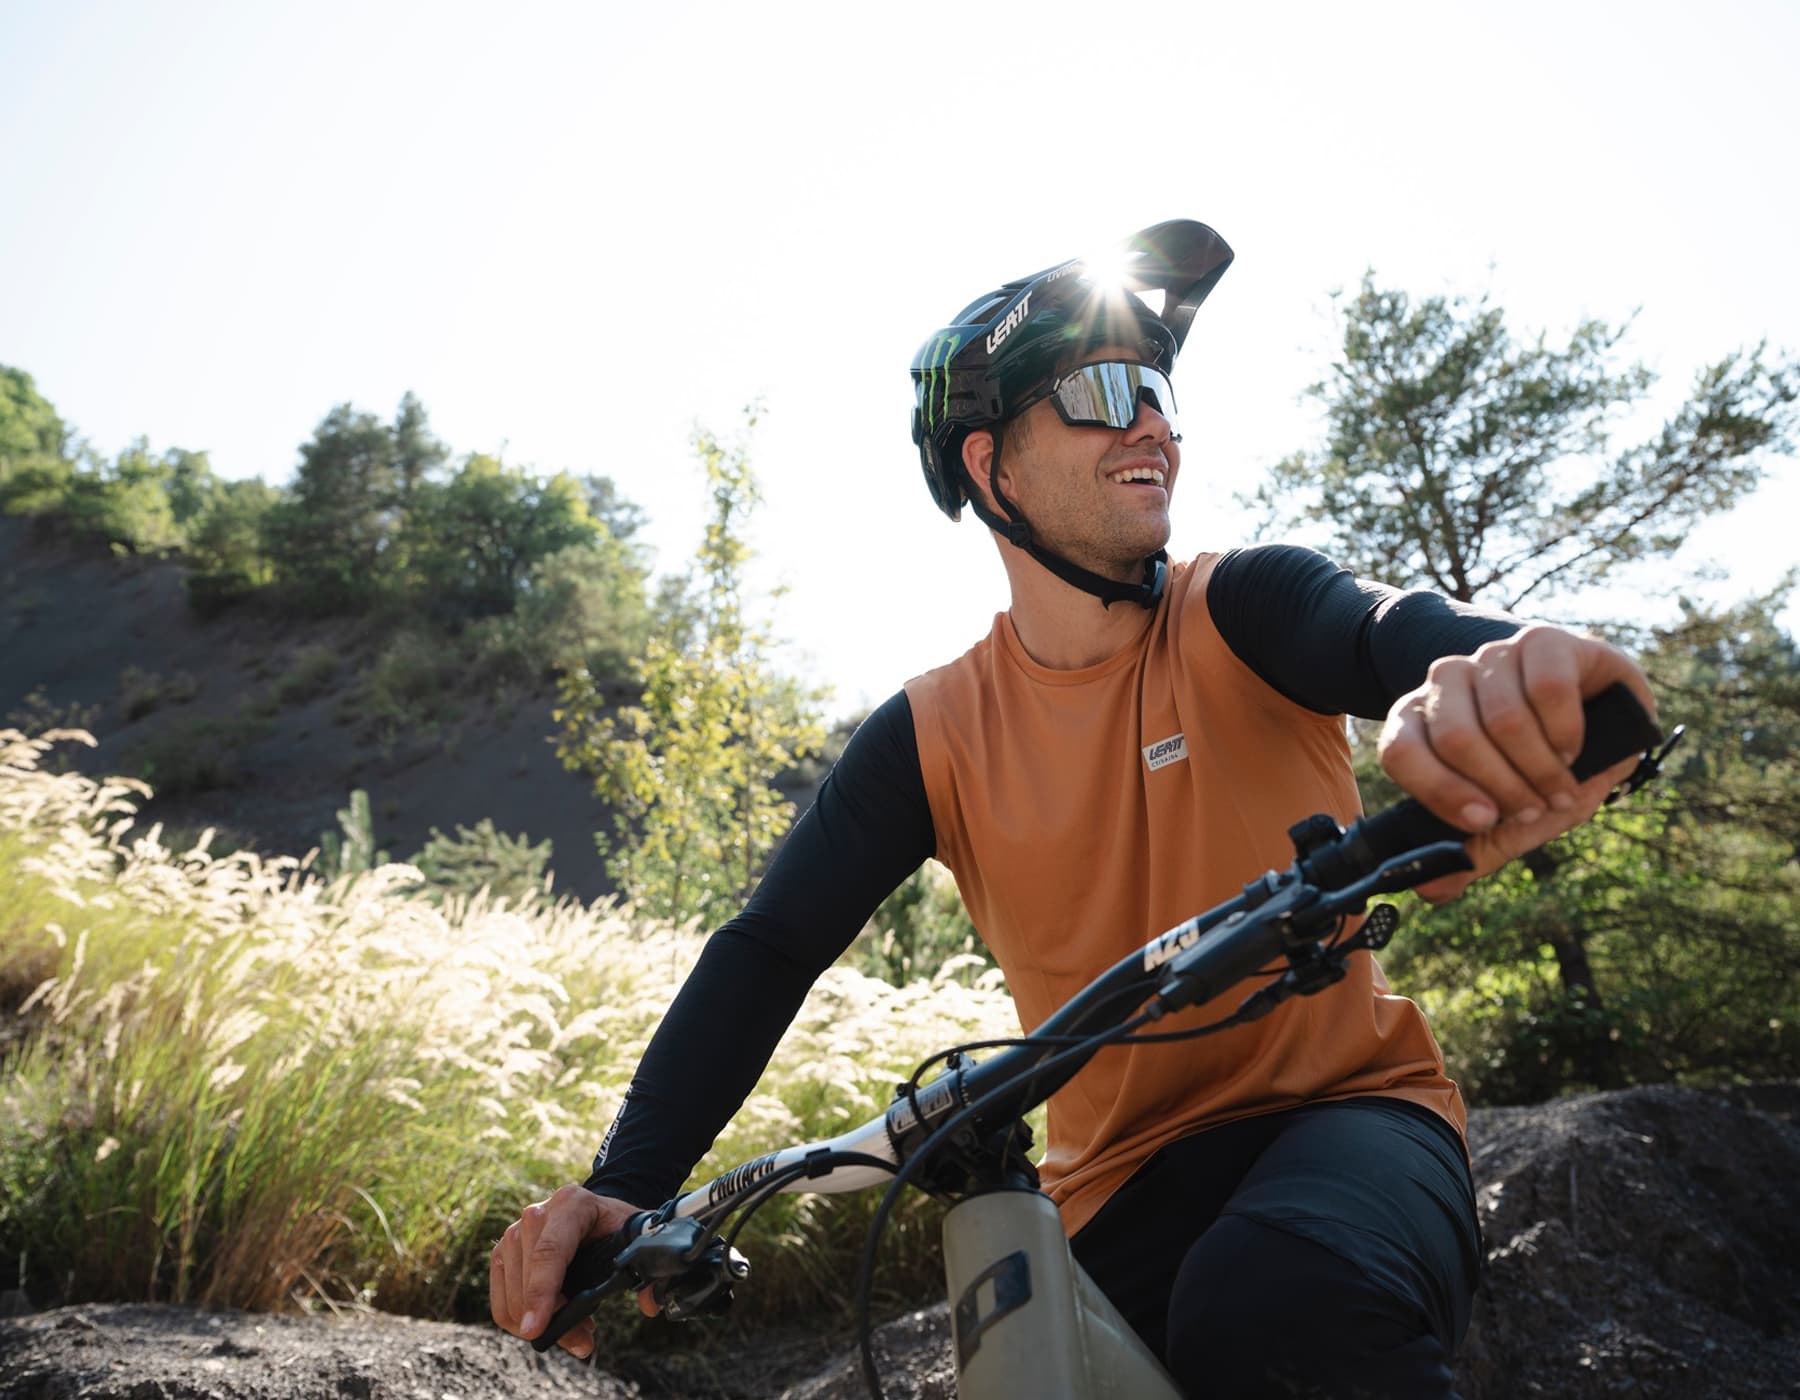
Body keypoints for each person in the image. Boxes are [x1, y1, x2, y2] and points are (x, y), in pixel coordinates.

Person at [490, 220, 1654, 1397]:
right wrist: (628, 1183)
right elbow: (770, 946)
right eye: (1102, 392)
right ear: (990, 465)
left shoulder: (1241, 608)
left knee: (1269, 1303)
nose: (1153, 424)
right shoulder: (933, 733)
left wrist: (1516, 670)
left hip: (1352, 1118)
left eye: (1160, 393)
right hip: (1111, 1188)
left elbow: (1382, 630)